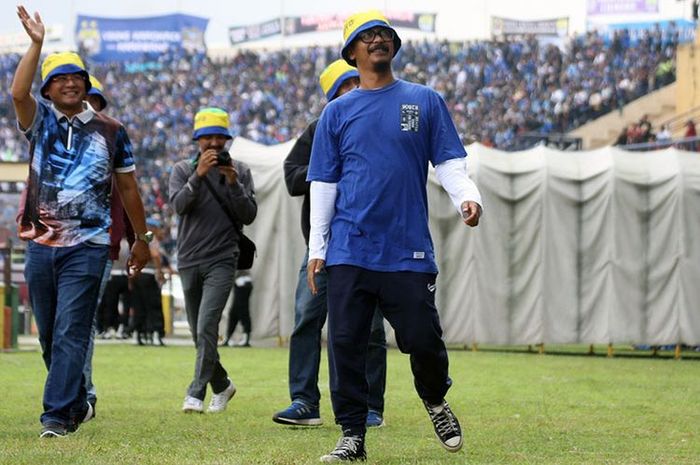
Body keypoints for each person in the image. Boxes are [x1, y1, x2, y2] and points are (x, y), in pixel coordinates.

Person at [306, 11, 482, 461]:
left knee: (423, 340)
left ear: (395, 45)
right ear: (352, 53)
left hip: (407, 249)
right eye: (367, 36)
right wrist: (317, 250)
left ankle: (435, 398)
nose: (378, 39)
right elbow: (323, 182)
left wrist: (467, 195)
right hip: (349, 249)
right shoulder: (336, 113)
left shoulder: (423, 101)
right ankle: (352, 436)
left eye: (384, 33)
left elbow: (447, 162)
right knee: (344, 343)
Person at [12, 6, 150, 438]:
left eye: (77, 77)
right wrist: (36, 44)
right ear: (49, 91)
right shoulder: (41, 123)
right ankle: (77, 402)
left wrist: (141, 239)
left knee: (72, 330)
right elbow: (18, 93)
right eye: (59, 79)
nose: (70, 83)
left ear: (87, 86)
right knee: (50, 336)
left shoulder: (112, 130)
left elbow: (128, 189)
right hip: (39, 244)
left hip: (87, 247)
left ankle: (54, 417)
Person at [274, 59, 387, 428]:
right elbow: (291, 178)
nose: (354, 90)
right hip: (321, 246)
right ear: (332, 97)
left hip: (367, 242)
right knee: (307, 318)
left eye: (357, 82)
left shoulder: (381, 127)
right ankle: (305, 402)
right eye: (345, 86)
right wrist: (325, 171)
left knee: (368, 327)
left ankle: (370, 406)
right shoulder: (318, 129)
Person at [169, 107, 257, 414]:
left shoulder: (241, 170)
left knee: (207, 324)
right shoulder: (182, 169)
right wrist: (199, 175)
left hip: (223, 257)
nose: (215, 144)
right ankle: (222, 384)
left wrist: (233, 184)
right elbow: (179, 206)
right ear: (198, 141)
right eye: (209, 138)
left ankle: (195, 392)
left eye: (221, 138)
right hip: (189, 259)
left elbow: (249, 215)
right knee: (199, 333)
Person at [81, 73, 135, 419]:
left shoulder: (111, 139)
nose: (87, 106)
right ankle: (72, 387)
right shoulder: (54, 138)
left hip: (98, 244)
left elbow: (129, 192)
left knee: (81, 319)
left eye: (93, 101)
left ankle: (83, 392)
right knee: (58, 322)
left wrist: (137, 242)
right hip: (51, 241)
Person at [131, 217, 167, 346]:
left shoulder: (140, 238)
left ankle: (139, 333)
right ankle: (156, 333)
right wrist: (159, 271)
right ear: (154, 228)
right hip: (149, 274)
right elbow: (155, 255)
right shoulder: (149, 236)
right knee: (154, 306)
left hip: (139, 275)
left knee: (139, 305)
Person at [222, 270, 253, 347]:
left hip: (243, 281)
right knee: (234, 312)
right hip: (240, 281)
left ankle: (246, 339)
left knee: (242, 311)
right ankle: (229, 338)